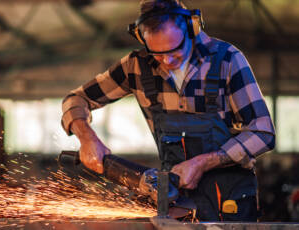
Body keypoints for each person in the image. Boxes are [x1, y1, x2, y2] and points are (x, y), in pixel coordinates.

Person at [61, 0, 275, 221]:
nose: (167, 60)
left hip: (229, 198)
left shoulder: (227, 59)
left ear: (191, 27)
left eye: (175, 51)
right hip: (176, 200)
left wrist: (203, 162)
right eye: (157, 54)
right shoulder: (136, 66)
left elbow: (263, 132)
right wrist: (86, 137)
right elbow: (76, 98)